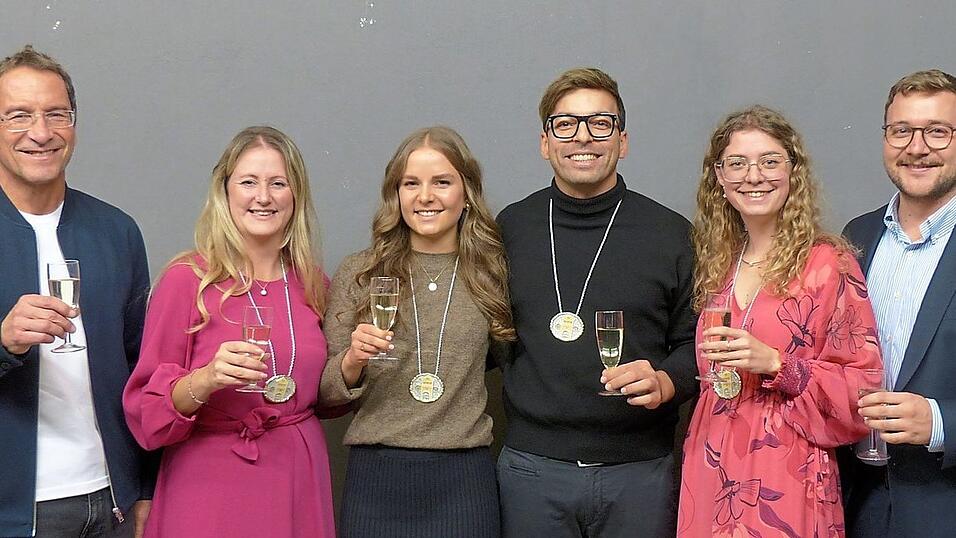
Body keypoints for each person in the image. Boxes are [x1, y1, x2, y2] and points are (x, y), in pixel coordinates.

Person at [495, 67, 697, 538]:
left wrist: (668, 380)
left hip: (641, 473)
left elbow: (697, 340)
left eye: (600, 123)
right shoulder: (509, 229)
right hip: (532, 470)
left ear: (622, 140)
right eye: (565, 124)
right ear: (545, 141)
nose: (582, 137)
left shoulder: (670, 233)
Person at [677, 105, 883, 537]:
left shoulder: (829, 263)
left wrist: (776, 363)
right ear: (719, 176)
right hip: (712, 456)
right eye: (737, 163)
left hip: (786, 464)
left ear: (794, 172)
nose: (754, 176)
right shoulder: (719, 262)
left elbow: (862, 391)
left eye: (770, 161)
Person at [123, 126, 338, 537]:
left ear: (296, 196)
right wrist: (205, 379)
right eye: (249, 182)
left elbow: (327, 395)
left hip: (298, 474)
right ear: (225, 192)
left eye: (278, 183)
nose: (263, 196)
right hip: (209, 482)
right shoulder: (187, 280)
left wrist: (355, 365)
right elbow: (146, 415)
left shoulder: (314, 284)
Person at [319, 126, 514, 537]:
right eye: (411, 184)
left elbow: (508, 360)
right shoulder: (361, 272)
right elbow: (325, 392)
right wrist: (353, 360)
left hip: (464, 479)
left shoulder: (493, 273)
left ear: (466, 194)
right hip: (377, 478)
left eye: (442, 182)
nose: (425, 196)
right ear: (396, 195)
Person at [0, 45, 153, 537]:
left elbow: (144, 369)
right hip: (14, 510)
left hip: (110, 501)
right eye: (18, 116)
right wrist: (3, 343)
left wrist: (143, 489)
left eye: (55, 114)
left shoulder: (117, 231)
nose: (40, 132)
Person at [840, 69, 956, 537]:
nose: (916, 146)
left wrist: (940, 420)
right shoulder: (857, 237)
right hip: (857, 502)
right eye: (901, 130)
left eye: (937, 132)